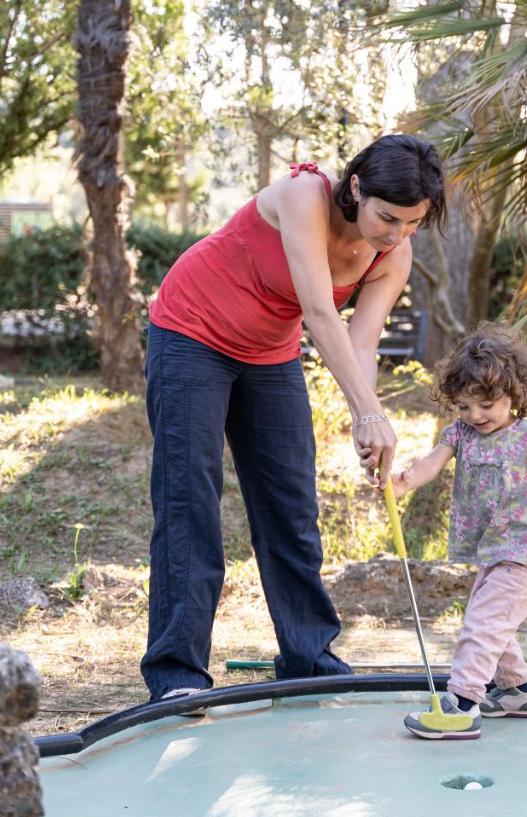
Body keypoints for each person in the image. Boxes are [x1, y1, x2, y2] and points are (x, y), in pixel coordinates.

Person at [141, 135, 446, 703]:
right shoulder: (305, 195)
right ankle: (177, 675)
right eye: (387, 217)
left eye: (412, 224)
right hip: (190, 331)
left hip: (266, 353)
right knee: (190, 499)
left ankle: (308, 658)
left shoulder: (392, 254)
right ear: (356, 187)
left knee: (292, 504)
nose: (396, 234)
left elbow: (361, 343)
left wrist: (369, 421)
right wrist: (368, 412)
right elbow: (319, 313)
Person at [387, 324, 527, 739]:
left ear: (514, 395)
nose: (476, 416)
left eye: (486, 404)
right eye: (465, 406)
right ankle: (519, 692)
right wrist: (406, 481)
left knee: (483, 626)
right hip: (492, 549)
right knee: (490, 622)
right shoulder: (461, 434)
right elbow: (432, 462)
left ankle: (464, 703)